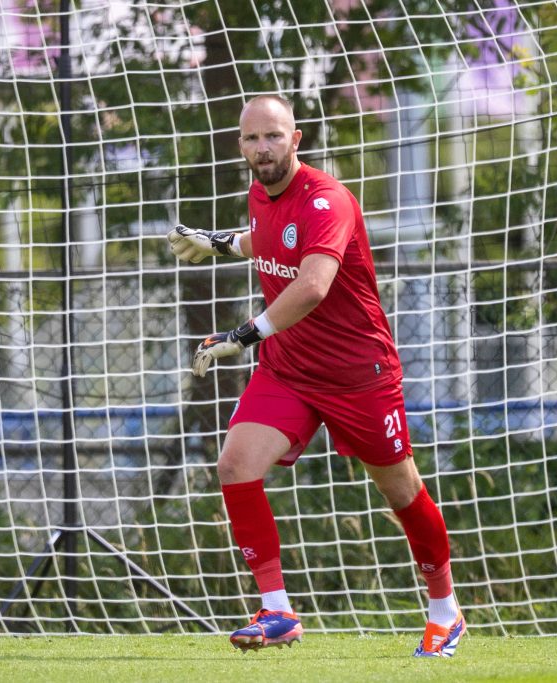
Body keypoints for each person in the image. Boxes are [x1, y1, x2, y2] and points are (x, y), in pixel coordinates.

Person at [167, 94, 464, 657]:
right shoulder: (259, 192)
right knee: (235, 465)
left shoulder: (328, 200)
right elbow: (267, 236)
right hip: (289, 370)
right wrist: (220, 242)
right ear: (240, 145)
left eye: (273, 136)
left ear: (296, 139)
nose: (263, 148)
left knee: (402, 492)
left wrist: (242, 336)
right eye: (252, 138)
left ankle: (445, 611)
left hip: (358, 375)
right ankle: (277, 611)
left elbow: (312, 285)